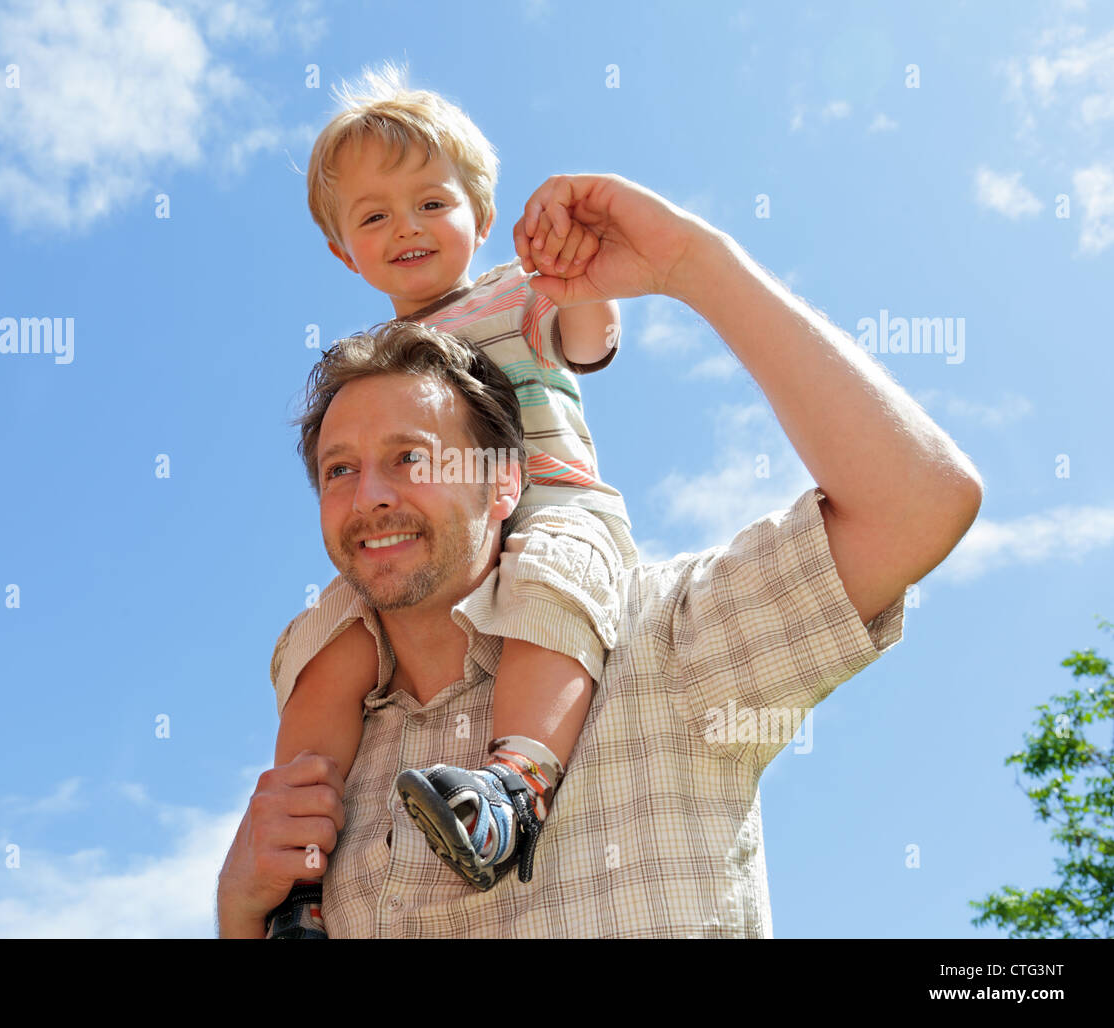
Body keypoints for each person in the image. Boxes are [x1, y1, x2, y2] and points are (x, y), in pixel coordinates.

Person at [215, 171, 984, 938]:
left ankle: (515, 791)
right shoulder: (340, 762)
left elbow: (919, 506)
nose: (371, 495)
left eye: (411, 458)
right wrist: (239, 912)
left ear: (505, 479)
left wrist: (692, 262)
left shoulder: (666, 644)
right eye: (339, 470)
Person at [266, 66, 638, 935]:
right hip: (432, 553)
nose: (407, 228)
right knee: (326, 642)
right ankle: (300, 876)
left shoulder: (517, 291)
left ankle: (515, 783)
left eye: (432, 202)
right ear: (342, 252)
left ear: (480, 209)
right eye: (374, 215)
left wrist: (584, 281)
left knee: (549, 584)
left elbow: (588, 342)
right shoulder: (377, 358)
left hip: (549, 505)